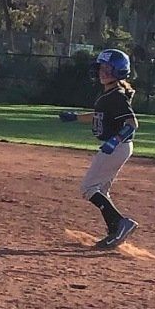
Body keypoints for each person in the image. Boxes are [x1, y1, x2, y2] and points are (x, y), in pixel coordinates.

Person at [62, 45, 138, 249]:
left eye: (108, 69)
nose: (102, 72)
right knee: (101, 190)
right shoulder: (110, 94)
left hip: (116, 147)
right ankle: (115, 229)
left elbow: (132, 124)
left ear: (118, 71)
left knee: (88, 188)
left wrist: (114, 141)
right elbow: (98, 117)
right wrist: (75, 117)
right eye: (101, 68)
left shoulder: (117, 96)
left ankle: (121, 223)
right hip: (117, 147)